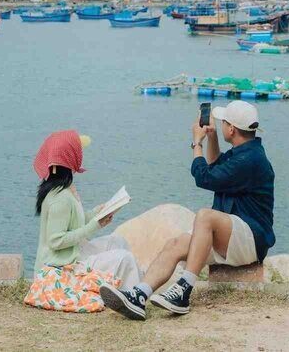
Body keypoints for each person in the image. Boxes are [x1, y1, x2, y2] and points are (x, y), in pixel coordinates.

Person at [101, 101, 274, 320]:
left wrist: (196, 143)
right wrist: (211, 137)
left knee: (205, 216)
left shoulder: (250, 160)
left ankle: (184, 290)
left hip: (250, 239)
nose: (220, 126)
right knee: (176, 244)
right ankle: (140, 294)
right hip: (232, 237)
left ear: (231, 129)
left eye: (223, 123)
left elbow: (204, 176)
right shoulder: (244, 153)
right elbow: (215, 166)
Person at [24, 129, 142, 313]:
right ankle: (133, 300)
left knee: (117, 241)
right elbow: (56, 241)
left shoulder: (64, 188)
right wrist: (93, 226)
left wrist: (97, 213)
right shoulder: (60, 197)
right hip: (61, 266)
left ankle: (129, 293)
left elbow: (73, 222)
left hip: (70, 254)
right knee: (125, 258)